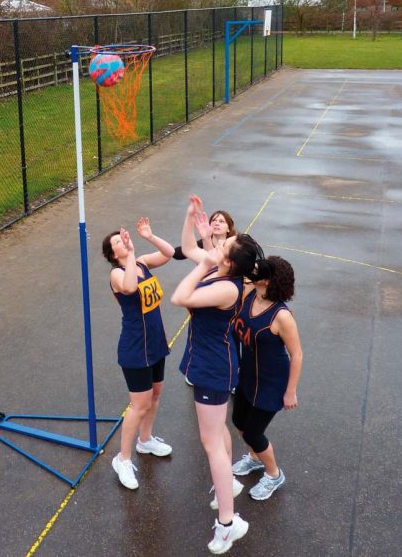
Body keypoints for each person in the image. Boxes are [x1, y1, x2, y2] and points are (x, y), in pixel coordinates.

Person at [171, 196, 263, 555]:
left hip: (214, 367)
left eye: (223, 244)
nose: (218, 242)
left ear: (228, 260)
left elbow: (180, 297)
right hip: (209, 363)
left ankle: (228, 523)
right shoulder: (220, 271)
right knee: (216, 435)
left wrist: (204, 263)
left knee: (211, 443)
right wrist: (190, 217)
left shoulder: (227, 286)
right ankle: (227, 487)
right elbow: (188, 247)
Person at [102, 217, 175, 490]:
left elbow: (169, 253)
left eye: (123, 238)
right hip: (135, 347)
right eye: (117, 242)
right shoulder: (117, 274)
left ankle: (145, 440)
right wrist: (131, 254)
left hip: (155, 341)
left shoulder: (142, 261)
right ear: (113, 254)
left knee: (155, 395)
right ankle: (122, 458)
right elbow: (130, 287)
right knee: (139, 405)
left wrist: (149, 236)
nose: (124, 241)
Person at [231, 256, 303, 501]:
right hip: (248, 373)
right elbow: (233, 262)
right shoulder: (251, 291)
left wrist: (290, 391)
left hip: (271, 381)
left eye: (260, 270)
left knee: (253, 432)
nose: (254, 270)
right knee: (238, 419)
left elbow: (297, 354)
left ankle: (274, 474)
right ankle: (254, 458)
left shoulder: (281, 316)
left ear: (270, 279)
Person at [173, 209, 237, 386]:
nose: (217, 223)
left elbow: (212, 264)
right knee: (197, 337)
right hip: (202, 299)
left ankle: (231, 377)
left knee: (225, 340)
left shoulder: (231, 273)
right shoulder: (214, 251)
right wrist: (190, 218)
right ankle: (195, 370)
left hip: (216, 305)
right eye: (214, 220)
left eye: (222, 221)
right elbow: (186, 249)